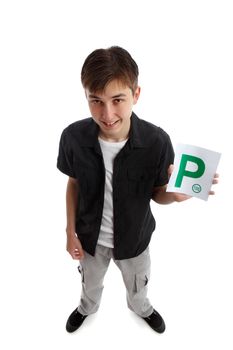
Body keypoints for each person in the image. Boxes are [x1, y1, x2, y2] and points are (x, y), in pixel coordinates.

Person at [57, 46, 218, 334]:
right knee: (89, 284)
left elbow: (158, 192)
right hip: (91, 241)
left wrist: (176, 195)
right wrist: (70, 233)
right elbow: (73, 184)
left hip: (135, 242)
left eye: (118, 99)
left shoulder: (157, 142)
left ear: (136, 94)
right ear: (86, 97)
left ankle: (141, 307)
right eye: (96, 100)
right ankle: (86, 308)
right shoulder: (72, 137)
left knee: (138, 284)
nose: (107, 114)